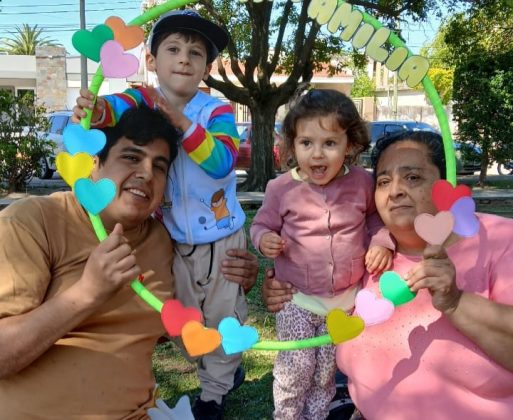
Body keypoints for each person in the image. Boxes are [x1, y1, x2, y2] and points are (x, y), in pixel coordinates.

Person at [0, 106, 258, 419]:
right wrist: (87, 293)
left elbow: (178, 325)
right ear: (96, 163)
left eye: (159, 166)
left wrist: (233, 281)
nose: (147, 173)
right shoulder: (33, 221)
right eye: (131, 157)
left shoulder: (163, 241)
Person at [263, 130, 513, 419]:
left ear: (447, 184)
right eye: (383, 181)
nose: (395, 191)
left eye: (413, 177)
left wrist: (456, 302)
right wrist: (283, 289)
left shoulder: (499, 240)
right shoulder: (361, 251)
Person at [73, 9, 247, 419]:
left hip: (222, 239)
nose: (184, 59)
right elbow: (112, 110)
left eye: (196, 53)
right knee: (181, 323)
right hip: (173, 240)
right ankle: (221, 369)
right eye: (173, 49)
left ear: (207, 68)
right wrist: (93, 109)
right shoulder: (142, 98)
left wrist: (180, 121)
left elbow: (223, 161)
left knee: (222, 316)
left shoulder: (217, 110)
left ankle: (214, 395)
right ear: (152, 60)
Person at [250, 89, 393, 420]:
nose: (317, 154)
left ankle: (315, 417)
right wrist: (264, 239)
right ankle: (287, 415)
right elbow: (260, 225)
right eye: (306, 143)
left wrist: (381, 241)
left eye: (329, 143)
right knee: (296, 368)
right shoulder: (280, 189)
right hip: (297, 299)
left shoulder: (362, 183)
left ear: (350, 145)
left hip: (343, 303)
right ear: (292, 145)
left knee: (325, 373)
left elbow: (375, 219)